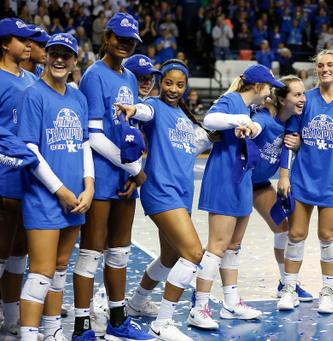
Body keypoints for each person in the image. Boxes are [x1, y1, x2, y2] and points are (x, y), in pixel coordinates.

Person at [115, 59, 220, 341]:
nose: (173, 89)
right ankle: (163, 321)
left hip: (182, 195)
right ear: (161, 83)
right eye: (169, 83)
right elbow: (144, 110)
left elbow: (198, 144)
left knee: (170, 256)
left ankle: (136, 303)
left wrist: (215, 136)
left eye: (180, 84)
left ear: (186, 86)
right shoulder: (155, 107)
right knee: (194, 254)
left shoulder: (186, 120)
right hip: (161, 191)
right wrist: (133, 108)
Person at [72, 13, 154, 341]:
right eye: (119, 37)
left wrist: (133, 169)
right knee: (92, 249)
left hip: (124, 175)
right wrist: (135, 168)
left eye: (130, 40)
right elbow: (93, 135)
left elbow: (129, 128)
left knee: (120, 250)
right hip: (102, 174)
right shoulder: (94, 75)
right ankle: (81, 327)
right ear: (107, 37)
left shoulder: (131, 79)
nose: (124, 44)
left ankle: (118, 319)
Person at [187, 64, 285, 330]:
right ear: (256, 86)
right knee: (217, 246)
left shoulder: (251, 109)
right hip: (224, 178)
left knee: (234, 245)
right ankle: (199, 307)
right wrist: (241, 121)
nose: (269, 94)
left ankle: (230, 303)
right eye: (268, 88)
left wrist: (248, 122)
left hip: (243, 179)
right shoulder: (232, 101)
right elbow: (209, 120)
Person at [16, 33, 94, 341]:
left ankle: (52, 331)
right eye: (54, 53)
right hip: (45, 196)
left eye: (66, 55)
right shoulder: (34, 94)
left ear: (75, 60)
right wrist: (60, 190)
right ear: (46, 56)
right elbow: (30, 150)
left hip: (76, 197)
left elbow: (85, 143)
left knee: (60, 268)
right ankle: (27, 334)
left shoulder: (78, 97)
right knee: (40, 272)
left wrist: (88, 186)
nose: (60, 59)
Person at [277, 49, 333, 314]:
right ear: (317, 71)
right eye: (320, 65)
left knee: (327, 236)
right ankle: (289, 289)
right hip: (302, 181)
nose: (325, 68)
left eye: (330, 64)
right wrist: (283, 174)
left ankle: (327, 292)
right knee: (296, 234)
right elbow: (289, 138)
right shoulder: (306, 100)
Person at [250, 75, 313, 303]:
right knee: (225, 241)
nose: (303, 99)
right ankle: (200, 281)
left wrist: (298, 145)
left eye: (304, 94)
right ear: (281, 99)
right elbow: (256, 123)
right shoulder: (265, 115)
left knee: (283, 230)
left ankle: (286, 283)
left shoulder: (293, 122)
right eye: (297, 95)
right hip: (238, 182)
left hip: (259, 185)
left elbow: (293, 146)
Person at [0, 19, 41, 341]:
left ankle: (12, 317)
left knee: (19, 252)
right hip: (4, 177)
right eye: (21, 39)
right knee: (1, 249)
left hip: (30, 178)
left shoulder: (32, 78)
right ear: (4, 43)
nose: (28, 44)